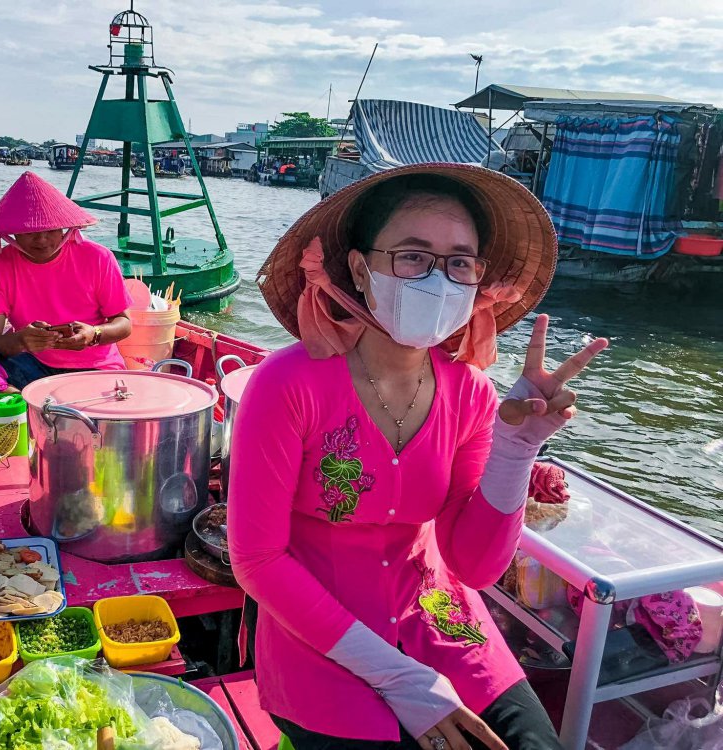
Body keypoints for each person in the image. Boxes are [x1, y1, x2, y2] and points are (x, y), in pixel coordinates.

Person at [229, 163, 609, 750]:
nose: (438, 279)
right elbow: (257, 560)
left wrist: (517, 448)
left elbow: (476, 567)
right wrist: (399, 679)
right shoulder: (287, 384)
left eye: (460, 262)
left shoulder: (472, 393)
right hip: (317, 629)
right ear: (360, 268)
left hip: (435, 610)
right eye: (412, 256)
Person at [0, 172, 132, 402]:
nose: (41, 240)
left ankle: (30, 408)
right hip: (34, 365)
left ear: (64, 227)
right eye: (30, 231)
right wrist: (20, 340)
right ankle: (23, 407)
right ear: (12, 233)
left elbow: (124, 324)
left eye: (50, 229)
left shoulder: (98, 257)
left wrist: (93, 334)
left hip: (96, 369)